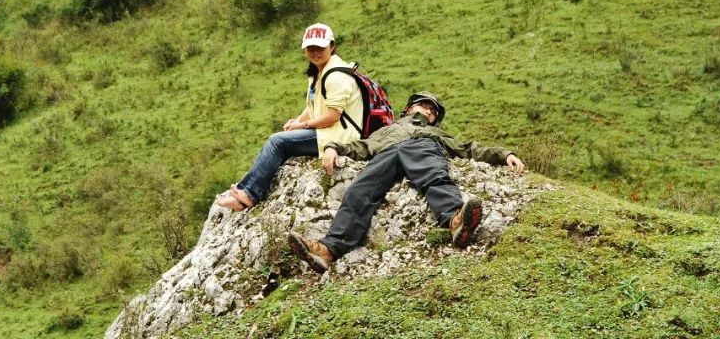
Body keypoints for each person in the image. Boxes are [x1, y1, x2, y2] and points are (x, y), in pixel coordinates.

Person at [288, 91, 525, 273]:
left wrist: (505, 155)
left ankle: (457, 221)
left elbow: (468, 148)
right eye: (424, 105)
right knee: (359, 191)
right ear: (409, 109)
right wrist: (332, 147)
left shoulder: (437, 134)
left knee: (433, 175)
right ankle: (329, 250)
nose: (428, 110)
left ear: (434, 120)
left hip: (421, 146)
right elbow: (360, 147)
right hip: (386, 153)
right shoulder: (385, 131)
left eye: (433, 111)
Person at [215, 23, 371, 211]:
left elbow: (333, 116)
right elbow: (312, 105)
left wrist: (303, 125)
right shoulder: (318, 72)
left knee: (277, 142)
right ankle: (245, 190)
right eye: (310, 48)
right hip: (326, 130)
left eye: (320, 48)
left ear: (332, 46)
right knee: (281, 141)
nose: (315, 52)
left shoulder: (337, 76)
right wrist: (297, 121)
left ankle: (249, 194)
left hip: (339, 135)